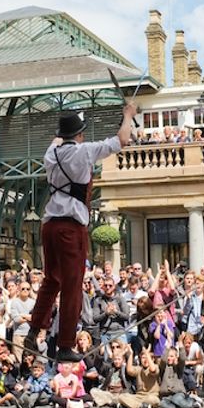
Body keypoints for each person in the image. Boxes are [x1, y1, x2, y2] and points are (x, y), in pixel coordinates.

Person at [26, 102, 138, 362]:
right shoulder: (84, 151)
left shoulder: (51, 153)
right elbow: (122, 139)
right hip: (70, 227)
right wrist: (128, 115)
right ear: (80, 135)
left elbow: (58, 138)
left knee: (51, 280)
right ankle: (65, 344)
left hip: (49, 224)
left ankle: (34, 330)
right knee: (73, 285)